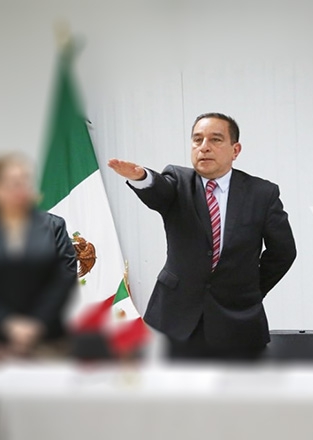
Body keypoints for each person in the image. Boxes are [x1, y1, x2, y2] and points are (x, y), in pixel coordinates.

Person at [108, 113, 296, 361]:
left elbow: (283, 252)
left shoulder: (262, 193)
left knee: (238, 385)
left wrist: (251, 288)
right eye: (197, 140)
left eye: (215, 139)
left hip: (238, 322)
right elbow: (159, 190)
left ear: (235, 150)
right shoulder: (178, 181)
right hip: (174, 320)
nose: (204, 147)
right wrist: (142, 177)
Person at [0, 153, 77, 361]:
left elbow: (64, 278)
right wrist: (7, 322)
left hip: (48, 338)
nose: (20, 188)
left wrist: (37, 323)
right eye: (13, 182)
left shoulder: (53, 226)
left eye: (25, 180)